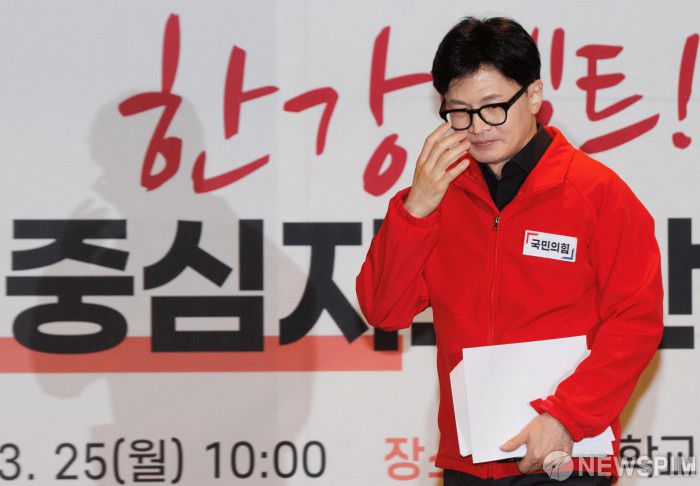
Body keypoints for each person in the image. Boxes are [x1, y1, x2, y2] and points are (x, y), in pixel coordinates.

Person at [355, 15, 664, 485]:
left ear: (534, 95)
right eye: (459, 112)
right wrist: (415, 208)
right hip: (468, 460)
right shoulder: (438, 197)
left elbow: (636, 320)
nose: (477, 127)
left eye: (493, 107)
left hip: (567, 453)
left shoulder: (596, 193)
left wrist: (566, 417)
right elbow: (384, 309)